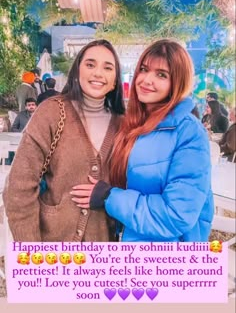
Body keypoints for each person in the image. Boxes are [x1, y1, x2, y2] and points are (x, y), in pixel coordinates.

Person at [71, 39, 214, 242]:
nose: (146, 80)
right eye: (144, 69)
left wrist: (109, 197)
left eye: (161, 75)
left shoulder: (189, 132)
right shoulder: (133, 123)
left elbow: (177, 215)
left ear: (177, 83)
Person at [3, 39, 125, 242]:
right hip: (53, 249)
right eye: (90, 64)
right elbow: (19, 187)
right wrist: (32, 254)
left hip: (102, 253)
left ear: (115, 80)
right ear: (77, 71)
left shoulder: (123, 124)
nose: (98, 73)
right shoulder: (52, 112)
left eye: (108, 67)